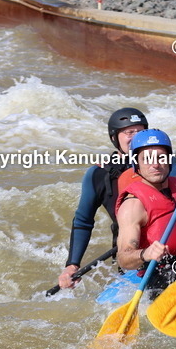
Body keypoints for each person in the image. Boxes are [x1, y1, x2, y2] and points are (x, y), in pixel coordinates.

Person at [56, 107, 146, 290]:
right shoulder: (98, 174)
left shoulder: (163, 164)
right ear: (114, 138)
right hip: (131, 256)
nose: (136, 137)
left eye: (141, 132)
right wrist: (72, 265)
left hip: (168, 248)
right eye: (130, 132)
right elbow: (83, 221)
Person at [114, 129, 176, 290]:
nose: (155, 165)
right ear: (136, 163)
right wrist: (146, 253)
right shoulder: (133, 205)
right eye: (148, 159)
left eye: (161, 158)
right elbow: (123, 257)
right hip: (162, 273)